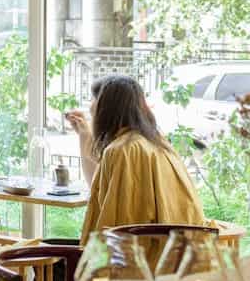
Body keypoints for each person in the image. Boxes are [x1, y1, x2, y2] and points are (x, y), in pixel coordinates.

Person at [67, 74, 205, 244]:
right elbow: (99, 190)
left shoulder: (122, 150)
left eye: (94, 104)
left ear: (106, 110)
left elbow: (115, 226)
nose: (91, 109)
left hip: (141, 259)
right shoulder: (159, 143)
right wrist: (84, 135)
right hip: (180, 253)